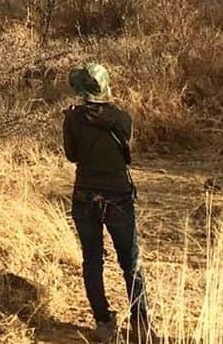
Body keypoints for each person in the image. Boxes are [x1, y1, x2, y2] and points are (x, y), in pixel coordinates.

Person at [63, 62, 151, 343]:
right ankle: (141, 324)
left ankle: (103, 322)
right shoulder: (123, 119)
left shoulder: (72, 119)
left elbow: (72, 155)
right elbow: (127, 150)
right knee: (131, 262)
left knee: (92, 261)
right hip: (119, 195)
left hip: (85, 194)